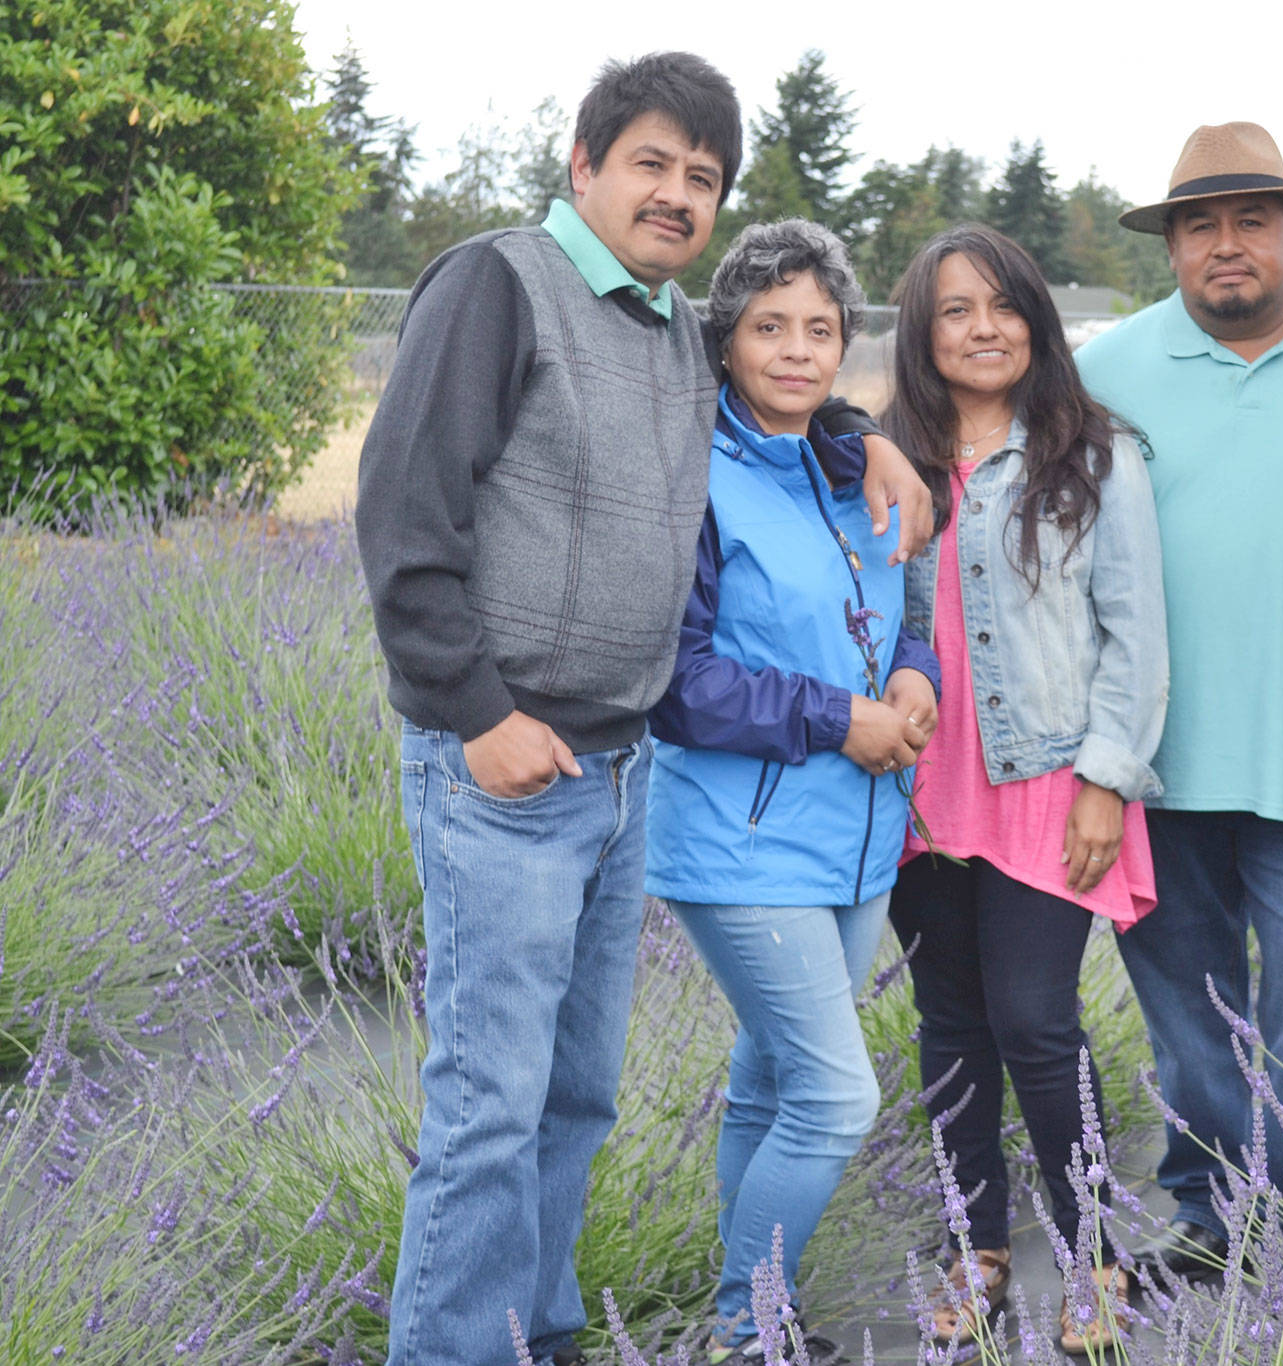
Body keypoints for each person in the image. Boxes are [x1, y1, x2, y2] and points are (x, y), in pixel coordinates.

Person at [355, 54, 931, 1366]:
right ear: (585, 164)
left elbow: (768, 392)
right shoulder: (500, 285)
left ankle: (535, 1332)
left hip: (617, 770)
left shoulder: (671, 328)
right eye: (652, 164)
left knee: (575, 1092)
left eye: (702, 177)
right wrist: (476, 708)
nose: (675, 194)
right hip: (500, 766)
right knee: (488, 1102)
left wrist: (866, 436)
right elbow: (404, 517)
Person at [1073, 122, 1283, 1274]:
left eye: (1249, 221)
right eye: (1199, 225)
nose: (1226, 246)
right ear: (1170, 246)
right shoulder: (1102, 371)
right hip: (1151, 765)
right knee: (1190, 1026)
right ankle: (1210, 1223)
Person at [641, 218, 939, 1365]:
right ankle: (744, 1326)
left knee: (768, 1081)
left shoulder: (848, 460)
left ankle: (743, 1316)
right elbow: (679, 682)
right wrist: (839, 718)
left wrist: (914, 672)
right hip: (739, 840)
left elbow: (906, 602)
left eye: (820, 328)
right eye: (769, 327)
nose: (797, 350)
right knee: (833, 1096)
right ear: (726, 341)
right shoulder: (690, 477)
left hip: (859, 840)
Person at [883, 225, 1168, 1354]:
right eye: (955, 309)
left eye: (1004, 306)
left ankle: (1094, 1254)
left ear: (1037, 324)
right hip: (913, 792)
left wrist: (1106, 780)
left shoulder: (1092, 455)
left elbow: (1135, 638)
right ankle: (977, 1248)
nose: (983, 327)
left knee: (1037, 1024)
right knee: (949, 1025)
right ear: (923, 330)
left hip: (1046, 783)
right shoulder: (880, 453)